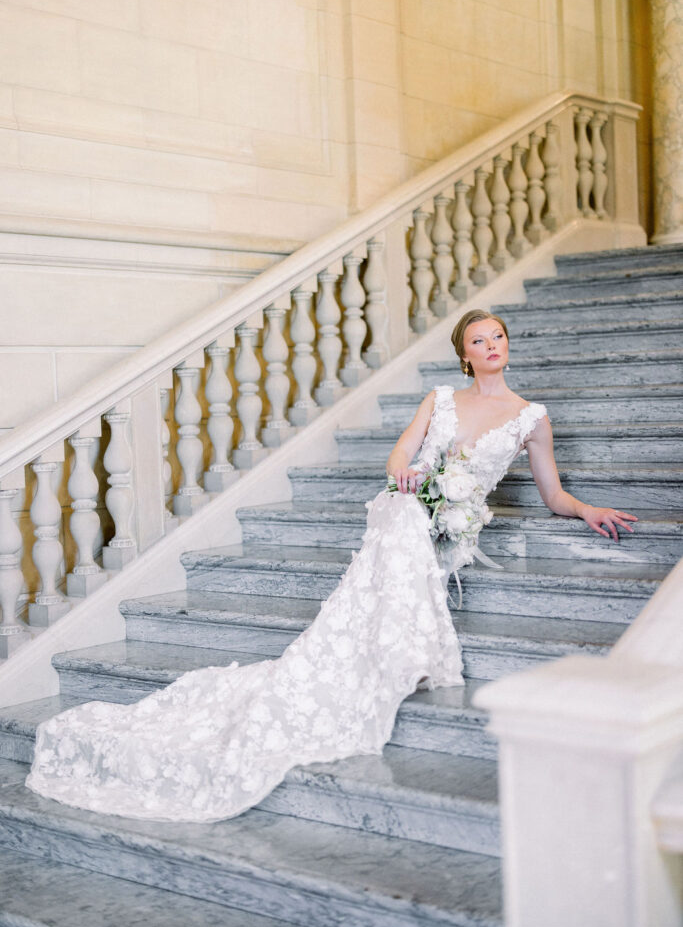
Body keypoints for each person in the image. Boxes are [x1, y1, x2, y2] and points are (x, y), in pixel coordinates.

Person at [26, 309, 637, 823]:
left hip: (455, 522)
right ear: (466, 357)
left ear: (507, 346)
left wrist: (585, 510)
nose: (492, 345)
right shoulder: (440, 399)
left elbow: (553, 494)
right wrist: (406, 473)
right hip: (409, 503)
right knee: (402, 518)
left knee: (416, 526)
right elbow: (403, 449)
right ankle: (400, 651)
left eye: (498, 336)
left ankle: (403, 647)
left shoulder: (532, 417)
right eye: (479, 341)